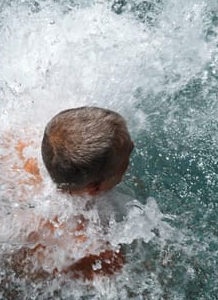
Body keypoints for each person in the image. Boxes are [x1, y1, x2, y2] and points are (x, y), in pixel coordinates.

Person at [8, 106, 134, 281]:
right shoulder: (92, 249)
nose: (132, 147)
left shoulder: (19, 148)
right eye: (126, 160)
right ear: (94, 188)